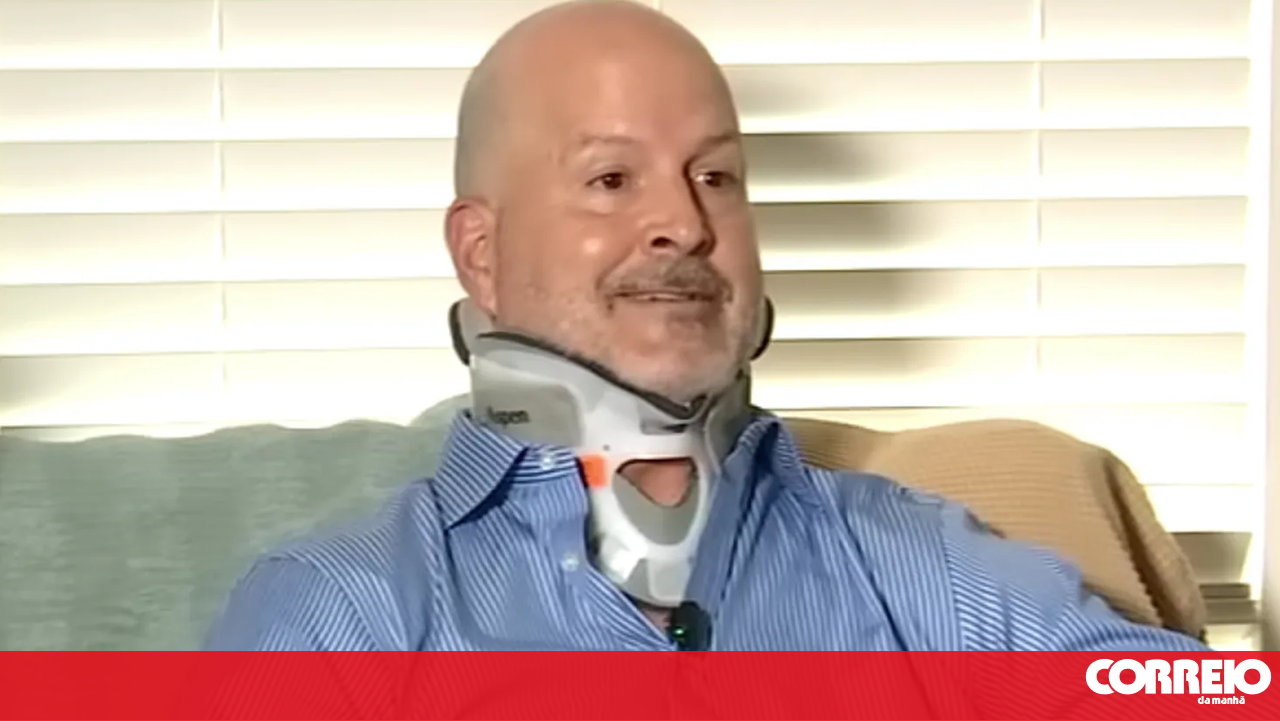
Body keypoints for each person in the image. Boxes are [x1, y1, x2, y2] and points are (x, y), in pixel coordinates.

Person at [203, 0, 1207, 655]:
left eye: (716, 176)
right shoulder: (342, 612)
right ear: (480, 253)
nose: (684, 223)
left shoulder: (921, 565)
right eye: (610, 178)